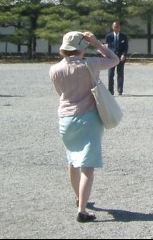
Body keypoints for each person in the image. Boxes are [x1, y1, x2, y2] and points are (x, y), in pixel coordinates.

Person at [49, 31, 119, 223]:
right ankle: (82, 210)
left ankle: (79, 197)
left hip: (65, 118)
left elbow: (59, 92)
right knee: (87, 165)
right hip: (88, 117)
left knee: (72, 160)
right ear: (81, 47)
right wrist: (97, 43)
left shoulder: (54, 69)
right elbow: (114, 59)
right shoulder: (91, 64)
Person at [105, 21, 128, 96]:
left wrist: (124, 55)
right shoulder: (109, 36)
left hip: (120, 57)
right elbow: (107, 47)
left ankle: (120, 90)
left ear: (120, 27)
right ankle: (110, 91)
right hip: (111, 57)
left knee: (120, 73)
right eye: (115, 26)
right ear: (112, 27)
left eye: (118, 26)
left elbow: (126, 47)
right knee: (110, 74)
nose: (116, 28)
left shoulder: (123, 36)